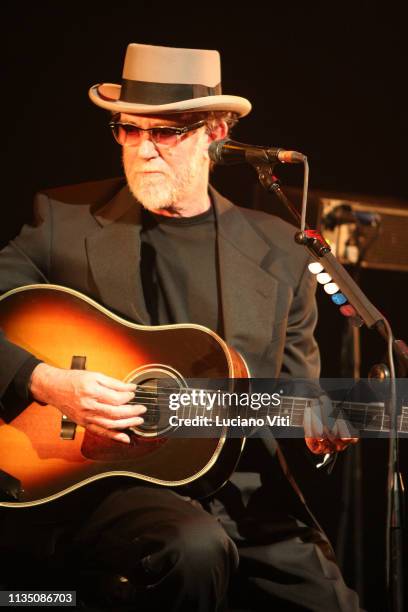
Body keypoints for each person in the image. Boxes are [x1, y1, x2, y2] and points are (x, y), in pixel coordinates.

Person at [0, 43, 360, 611]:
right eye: (129, 131)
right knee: (192, 548)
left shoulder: (280, 253)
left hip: (244, 500)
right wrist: (43, 380)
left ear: (215, 132)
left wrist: (318, 424)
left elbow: (296, 397)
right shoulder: (61, 223)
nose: (144, 150)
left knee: (332, 602)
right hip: (114, 487)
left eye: (166, 133)